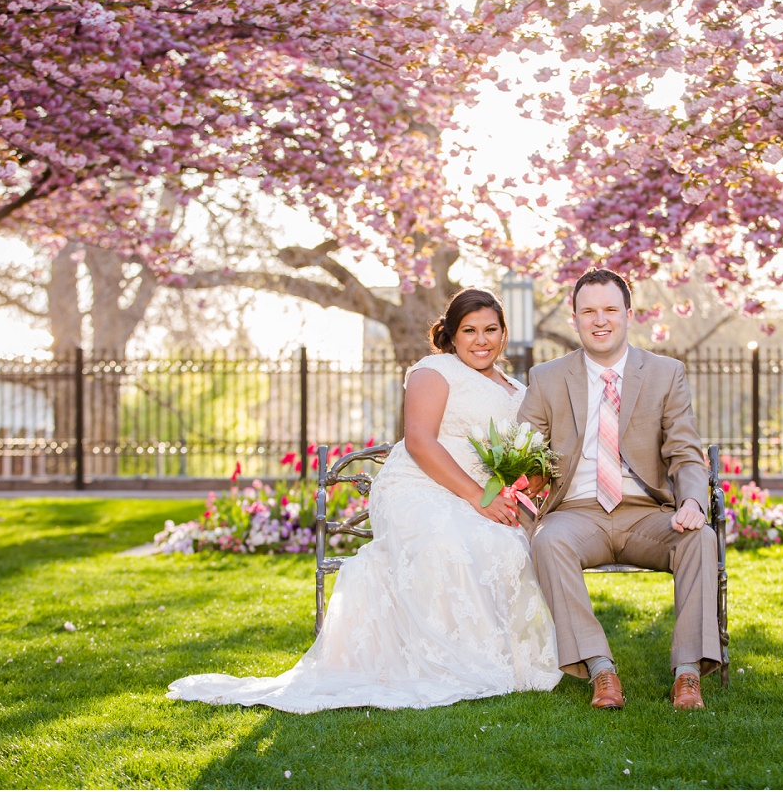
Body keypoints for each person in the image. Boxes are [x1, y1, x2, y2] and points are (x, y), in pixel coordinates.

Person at [167, 289, 561, 712]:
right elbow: (420, 442)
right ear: (450, 334)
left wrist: (517, 487)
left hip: (484, 493)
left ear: (504, 334)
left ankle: (500, 656)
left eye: (490, 330)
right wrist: (477, 500)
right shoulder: (435, 371)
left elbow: (530, 451)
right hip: (420, 485)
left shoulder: (518, 388)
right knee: (447, 536)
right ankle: (445, 660)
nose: (481, 340)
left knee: (506, 543)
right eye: (469, 330)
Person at [517, 269, 720, 711]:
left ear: (629, 315)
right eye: (588, 311)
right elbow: (525, 455)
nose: (600, 320)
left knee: (700, 539)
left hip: (646, 513)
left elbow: (685, 453)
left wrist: (690, 501)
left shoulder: (666, 374)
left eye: (610, 309)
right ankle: (600, 668)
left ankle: (688, 675)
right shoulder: (548, 377)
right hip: (576, 513)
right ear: (575, 319)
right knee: (549, 542)